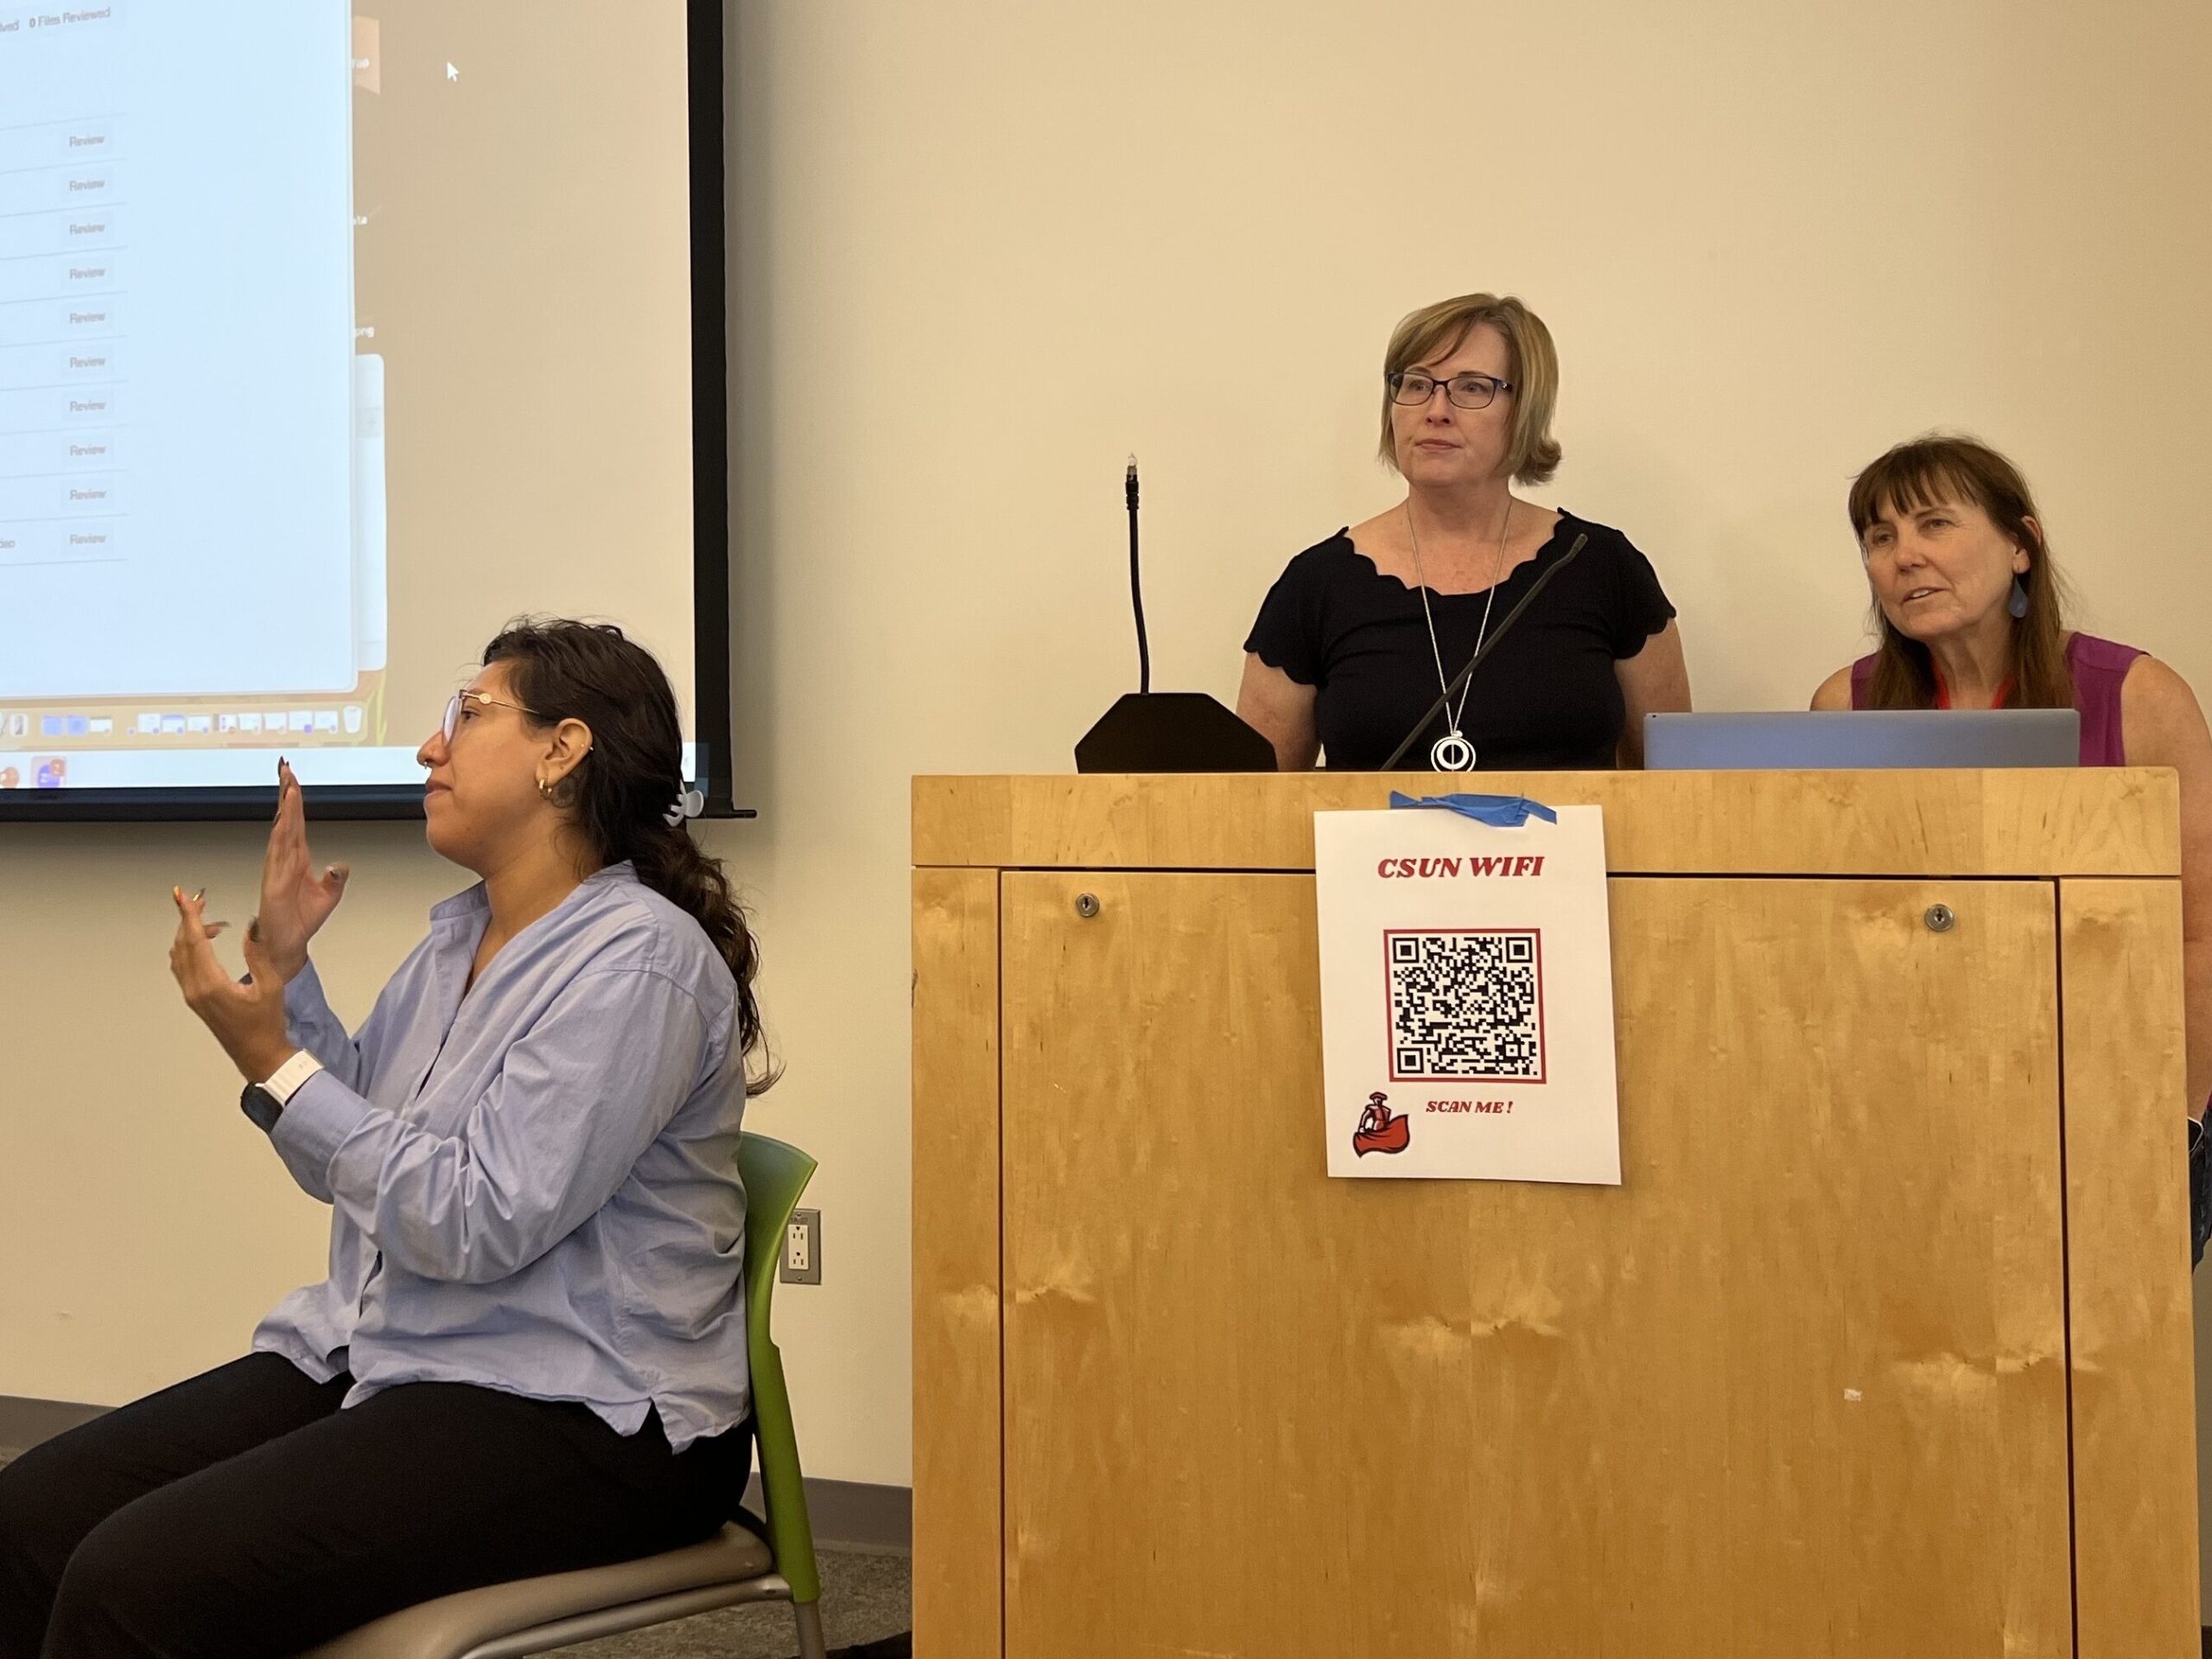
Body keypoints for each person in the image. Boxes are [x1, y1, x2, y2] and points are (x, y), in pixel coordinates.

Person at [0, 620, 771, 1658]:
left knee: (133, 1582)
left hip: (584, 1415)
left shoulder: (637, 966)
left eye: (467, 714)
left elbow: (475, 1220)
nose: (428, 748)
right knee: (29, 1518)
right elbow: (359, 1148)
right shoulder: (460, 937)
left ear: (563, 749)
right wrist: (284, 977)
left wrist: (276, 1064)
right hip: (394, 1349)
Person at [1811, 434, 2212, 1259]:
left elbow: (2199, 931)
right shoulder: (1841, 712)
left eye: (1933, 524)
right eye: (1880, 538)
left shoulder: (2138, 696)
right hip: (1910, 1109)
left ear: (2021, 545)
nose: (1904, 557)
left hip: (2111, 1097)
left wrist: (2181, 1120)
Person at [1236, 292, 1691, 772]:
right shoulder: (1316, 584)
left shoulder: (1600, 567)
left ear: (1525, 410)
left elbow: (1673, 797)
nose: (1435, 409)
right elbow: (1257, 807)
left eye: (1472, 388)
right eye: (1415, 384)